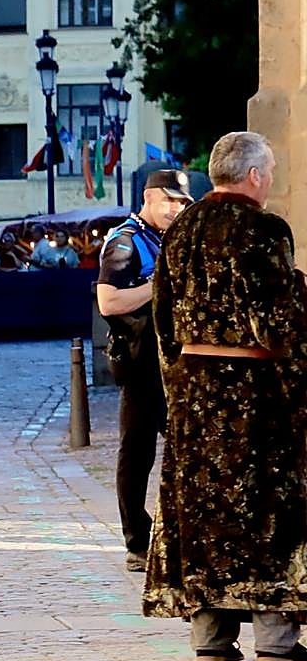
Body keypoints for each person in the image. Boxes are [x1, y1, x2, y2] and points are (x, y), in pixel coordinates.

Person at [145, 131, 307, 661]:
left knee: (201, 510)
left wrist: (179, 385)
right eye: (271, 170)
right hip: (252, 392)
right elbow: (278, 321)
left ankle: (210, 636)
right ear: (255, 176)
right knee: (265, 507)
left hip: (194, 390)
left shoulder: (182, 229)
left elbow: (162, 317)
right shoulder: (263, 229)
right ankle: (275, 640)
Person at [97, 169, 193, 573]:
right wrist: (161, 285)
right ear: (149, 197)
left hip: (175, 361)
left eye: (182, 202)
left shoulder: (172, 239)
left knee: (186, 449)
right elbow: (109, 302)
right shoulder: (125, 241)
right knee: (137, 453)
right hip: (140, 363)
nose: (175, 208)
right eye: (169, 200)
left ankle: (176, 534)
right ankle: (137, 540)